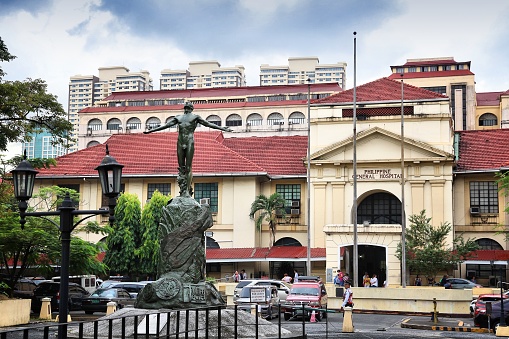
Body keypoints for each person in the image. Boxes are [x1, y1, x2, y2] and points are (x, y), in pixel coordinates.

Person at [144, 101, 233, 197]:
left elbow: (208, 124)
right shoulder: (178, 118)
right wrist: (151, 131)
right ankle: (183, 190)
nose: (186, 108)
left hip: (189, 141)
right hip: (180, 142)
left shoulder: (195, 117)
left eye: (187, 107)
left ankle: (187, 190)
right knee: (181, 168)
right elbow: (165, 126)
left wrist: (222, 128)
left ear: (190, 108)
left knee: (188, 167)